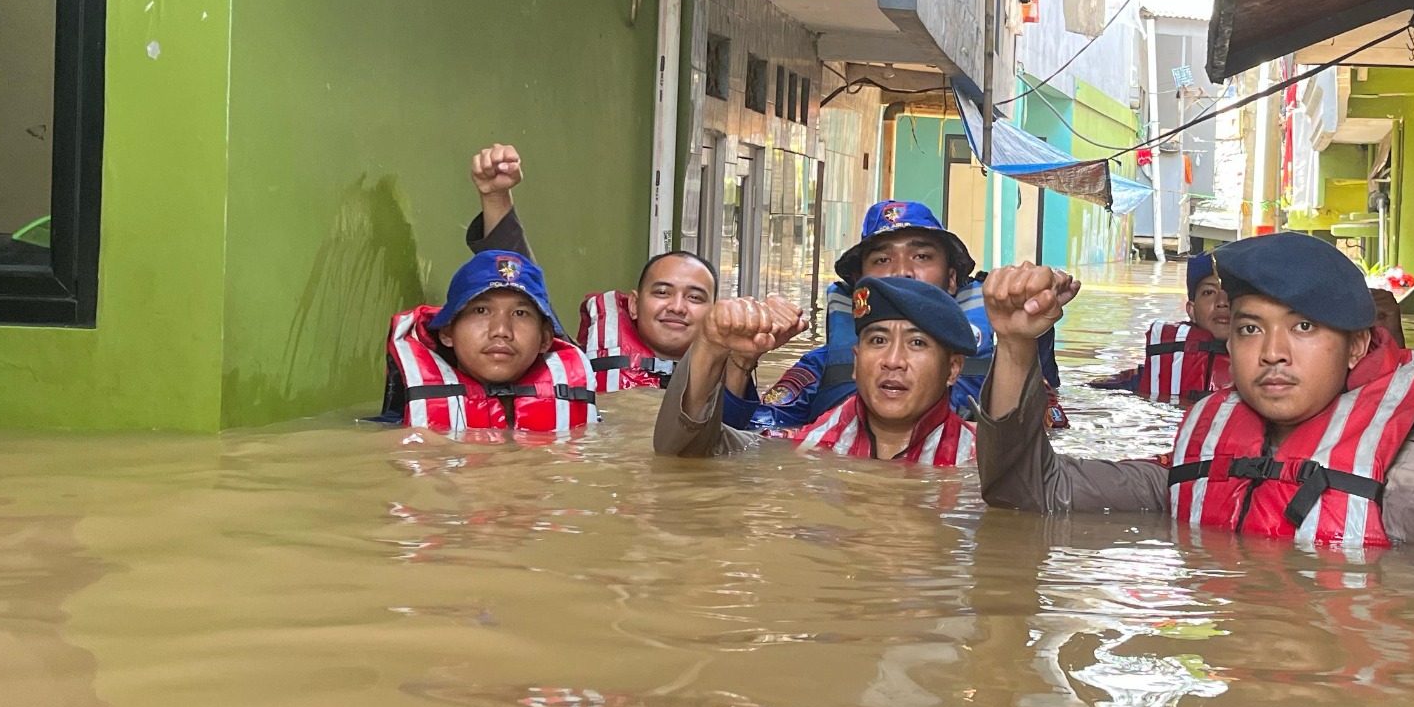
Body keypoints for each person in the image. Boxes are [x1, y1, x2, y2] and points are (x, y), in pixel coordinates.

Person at [974, 233, 1414, 551]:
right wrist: (1018, 344)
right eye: (1249, 328)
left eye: (1304, 327)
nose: (1272, 352)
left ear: (1359, 347)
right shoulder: (1198, 458)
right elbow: (1028, 493)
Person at [746, 197, 1064, 429]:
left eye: (921, 256)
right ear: (859, 282)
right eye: (883, 260)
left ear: (952, 279)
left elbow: (1045, 452)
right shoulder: (820, 368)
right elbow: (746, 442)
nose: (902, 272)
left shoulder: (1004, 366)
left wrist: (1023, 339)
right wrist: (737, 362)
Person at [463, 142, 716, 391]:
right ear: (634, 305)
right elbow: (518, 279)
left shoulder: (735, 375)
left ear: (714, 314)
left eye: (694, 297)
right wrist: (495, 196)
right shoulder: (577, 367)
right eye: (662, 292)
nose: (677, 307)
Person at [656, 275, 978, 466]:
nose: (893, 360)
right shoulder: (810, 445)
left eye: (917, 343)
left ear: (952, 369)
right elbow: (685, 453)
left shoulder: (980, 460)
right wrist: (712, 347)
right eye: (878, 340)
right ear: (855, 361)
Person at [381, 247, 598, 433]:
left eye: (520, 313)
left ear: (545, 339)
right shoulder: (398, 429)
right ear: (447, 332)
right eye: (481, 310)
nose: (501, 330)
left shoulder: (584, 424)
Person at [1093, 251, 1233, 399]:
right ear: (1191, 310)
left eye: (1231, 292)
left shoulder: (1257, 375)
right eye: (1209, 292)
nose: (1222, 302)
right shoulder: (1148, 376)